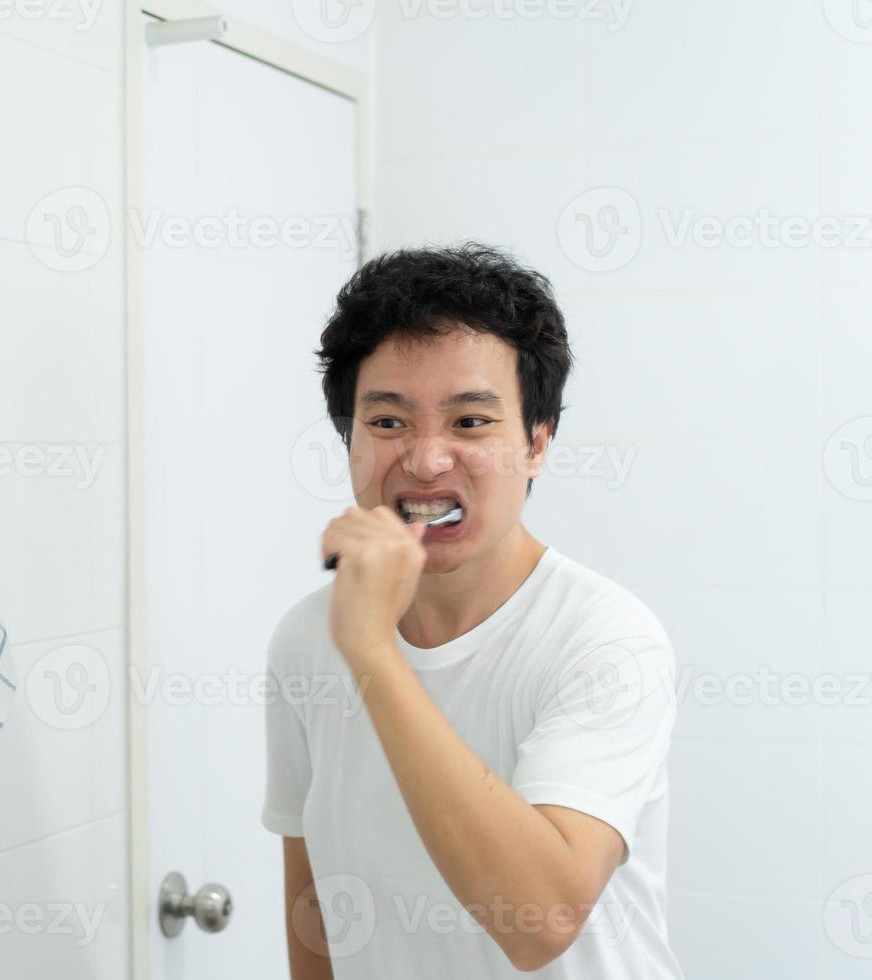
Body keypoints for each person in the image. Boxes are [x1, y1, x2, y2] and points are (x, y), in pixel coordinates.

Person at [264, 244, 682, 978]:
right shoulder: (307, 639)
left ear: (536, 444)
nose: (426, 460)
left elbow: (541, 922)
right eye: (388, 422)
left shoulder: (607, 640)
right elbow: (315, 912)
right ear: (350, 442)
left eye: (470, 423)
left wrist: (373, 655)